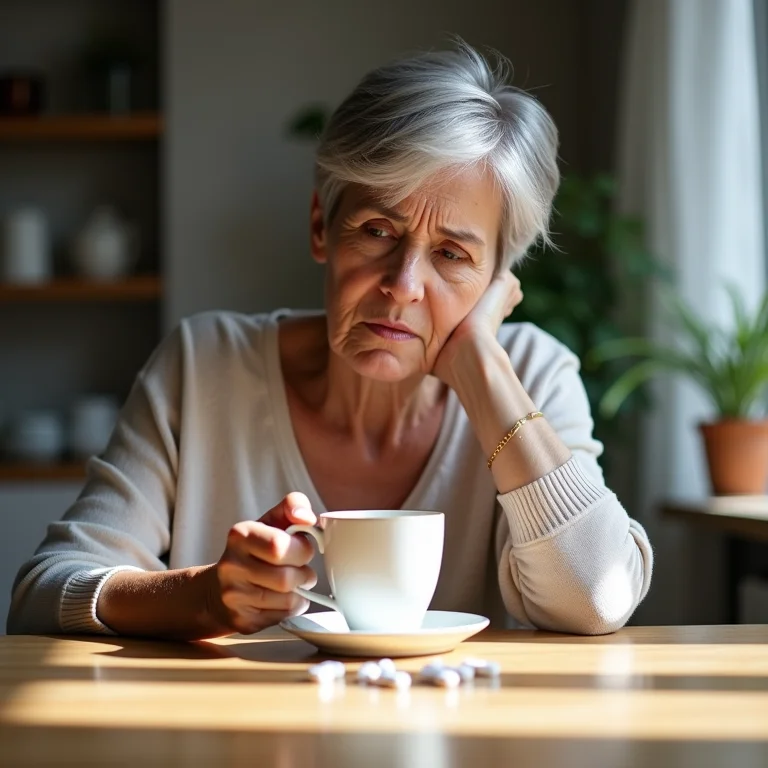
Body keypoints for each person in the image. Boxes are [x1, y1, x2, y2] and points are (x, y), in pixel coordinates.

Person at [7, 43, 652, 639]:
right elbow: (40, 594)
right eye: (376, 230)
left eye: (452, 254)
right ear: (322, 226)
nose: (403, 286)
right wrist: (201, 597)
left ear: (495, 279)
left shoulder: (532, 373)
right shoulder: (205, 366)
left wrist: (482, 367)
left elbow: (597, 594)